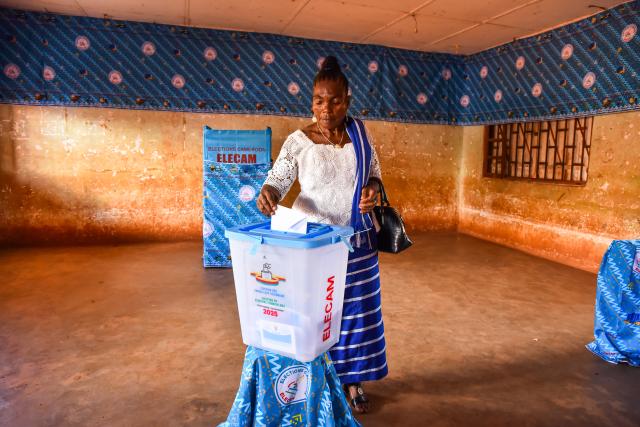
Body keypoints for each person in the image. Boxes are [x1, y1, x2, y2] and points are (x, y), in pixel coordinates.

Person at [257, 55, 388, 414]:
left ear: (347, 100)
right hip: (312, 245)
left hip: (356, 242)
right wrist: (268, 192)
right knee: (316, 315)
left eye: (334, 100)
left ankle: (353, 382)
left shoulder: (360, 135)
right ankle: (316, 381)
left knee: (355, 315)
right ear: (311, 101)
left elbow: (375, 173)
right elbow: (278, 180)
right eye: (318, 100)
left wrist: (372, 189)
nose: (325, 108)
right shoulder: (299, 141)